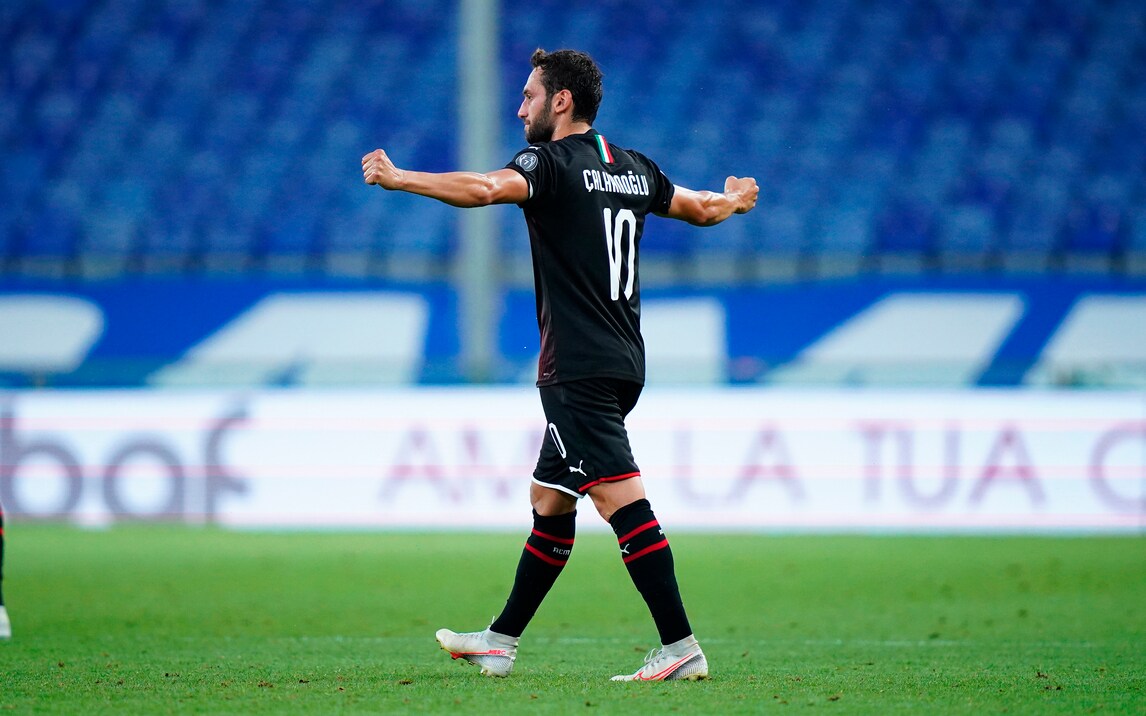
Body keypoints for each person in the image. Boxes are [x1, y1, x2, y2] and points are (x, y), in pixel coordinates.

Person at [362, 48, 757, 681]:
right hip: (624, 360)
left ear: (561, 101)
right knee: (550, 499)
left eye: (529, 96)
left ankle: (681, 648)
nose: (520, 109)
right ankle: (499, 640)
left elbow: (485, 188)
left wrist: (401, 177)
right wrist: (734, 198)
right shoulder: (634, 168)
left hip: (575, 368)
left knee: (621, 502)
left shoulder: (549, 164)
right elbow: (703, 207)